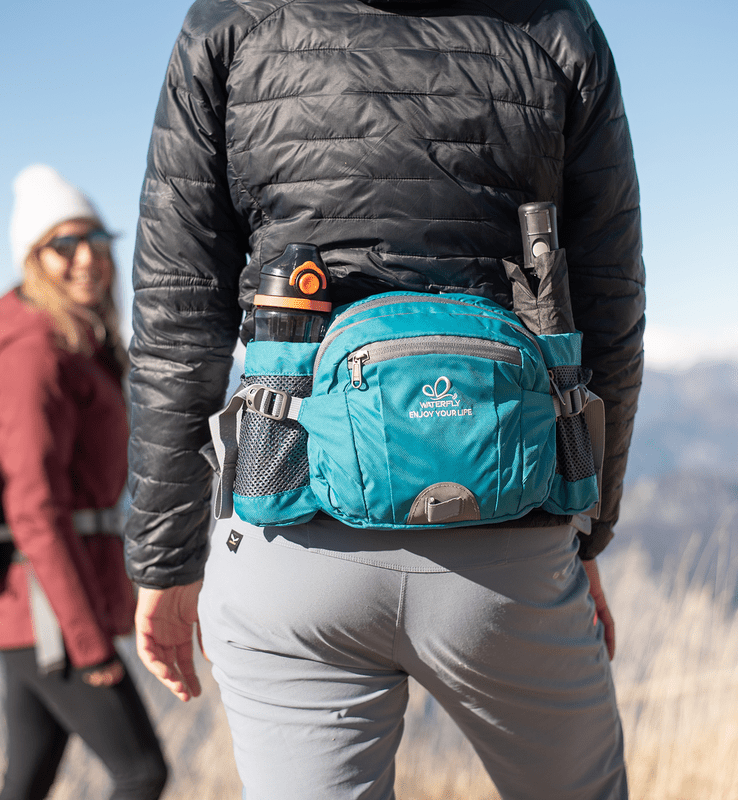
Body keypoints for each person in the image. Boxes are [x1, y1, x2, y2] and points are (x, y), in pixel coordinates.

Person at [127, 0, 644, 798]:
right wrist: (588, 524)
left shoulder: (232, 21)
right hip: (509, 535)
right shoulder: (555, 24)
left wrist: (164, 562)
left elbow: (177, 316)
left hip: (289, 529)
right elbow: (609, 309)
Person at [0, 165, 168, 800]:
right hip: (49, 613)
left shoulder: (73, 343)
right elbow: (36, 509)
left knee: (25, 780)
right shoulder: (34, 358)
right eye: (63, 245)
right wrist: (88, 643)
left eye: (97, 240)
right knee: (141, 773)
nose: (87, 258)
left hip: (34, 607)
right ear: (32, 259)